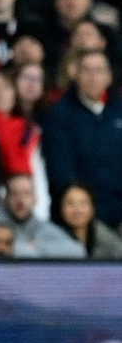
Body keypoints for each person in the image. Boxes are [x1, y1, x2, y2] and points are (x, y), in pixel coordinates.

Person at [42, 50, 122, 229]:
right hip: (82, 216)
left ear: (109, 77)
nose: (93, 77)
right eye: (86, 70)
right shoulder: (59, 115)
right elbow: (61, 172)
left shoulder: (119, 110)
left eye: (99, 70)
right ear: (75, 75)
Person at [0, 175, 84, 259]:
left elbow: (78, 251)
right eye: (15, 194)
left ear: (35, 198)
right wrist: (28, 249)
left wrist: (36, 247)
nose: (21, 201)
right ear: (5, 199)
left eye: (26, 194)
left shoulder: (43, 227)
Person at [57, 184, 122, 260]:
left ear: (92, 208)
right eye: (70, 203)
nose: (77, 210)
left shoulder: (108, 240)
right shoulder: (51, 237)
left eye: (83, 203)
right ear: (61, 208)